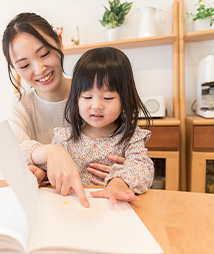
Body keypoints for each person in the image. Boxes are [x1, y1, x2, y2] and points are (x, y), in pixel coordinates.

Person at [2, 12, 125, 207]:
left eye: (44, 54)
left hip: (99, 199)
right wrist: (50, 153)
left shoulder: (93, 98)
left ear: (59, 42)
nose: (39, 69)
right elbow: (13, 151)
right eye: (24, 65)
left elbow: (128, 150)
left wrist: (123, 174)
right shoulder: (21, 104)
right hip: (51, 204)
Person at [51, 47, 154, 204]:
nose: (96, 105)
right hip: (71, 207)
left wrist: (119, 182)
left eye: (107, 97)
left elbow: (143, 169)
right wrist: (38, 172)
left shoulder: (130, 138)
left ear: (125, 99)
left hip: (112, 209)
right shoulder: (63, 138)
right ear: (76, 98)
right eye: (87, 96)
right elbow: (50, 167)